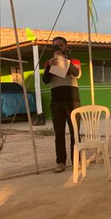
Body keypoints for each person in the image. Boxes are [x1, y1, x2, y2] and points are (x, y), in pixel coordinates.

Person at [42, 36, 82, 173]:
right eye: (55, 46)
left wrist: (64, 61)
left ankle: (77, 160)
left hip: (73, 101)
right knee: (59, 134)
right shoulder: (49, 62)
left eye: (60, 45)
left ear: (66, 46)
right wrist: (50, 66)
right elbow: (45, 80)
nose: (58, 48)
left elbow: (76, 73)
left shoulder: (74, 61)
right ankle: (60, 162)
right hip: (57, 101)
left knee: (75, 133)